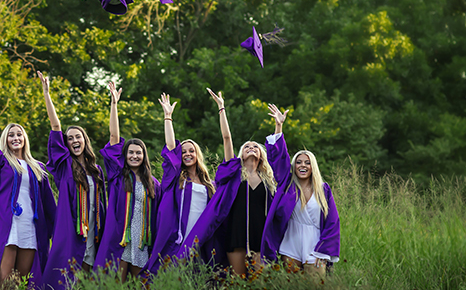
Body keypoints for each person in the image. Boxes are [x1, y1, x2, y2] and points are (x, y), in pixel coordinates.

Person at [177, 94, 290, 276]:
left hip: (261, 235)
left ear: (261, 154)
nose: (251, 147)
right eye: (246, 147)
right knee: (237, 282)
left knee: (261, 281)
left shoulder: (269, 180)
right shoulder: (234, 174)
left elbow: (280, 160)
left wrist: (278, 126)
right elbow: (227, 138)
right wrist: (222, 108)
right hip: (236, 234)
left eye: (255, 146)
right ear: (241, 155)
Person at [0, 100, 56, 290]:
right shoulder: (1, 160)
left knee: (23, 281)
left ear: (25, 138)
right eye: (11, 135)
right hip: (8, 224)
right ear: (6, 139)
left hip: (30, 225)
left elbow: (48, 201)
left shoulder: (37, 167)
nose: (15, 138)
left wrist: (55, 229)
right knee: (4, 279)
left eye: (19, 134)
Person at [37, 72, 107, 290]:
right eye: (70, 138)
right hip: (71, 227)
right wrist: (47, 95)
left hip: (93, 228)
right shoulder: (64, 165)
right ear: (66, 144)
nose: (74, 140)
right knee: (67, 270)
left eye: (78, 137)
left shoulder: (96, 170)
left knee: (87, 271)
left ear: (85, 140)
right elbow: (56, 126)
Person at [93, 81, 160, 283]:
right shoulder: (117, 174)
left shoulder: (153, 183)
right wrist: (114, 104)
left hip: (142, 239)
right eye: (130, 152)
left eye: (138, 153)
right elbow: (114, 137)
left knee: (139, 286)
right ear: (125, 155)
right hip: (121, 238)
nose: (134, 156)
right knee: (117, 282)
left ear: (144, 155)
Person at [145, 92, 216, 275]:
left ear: (197, 154)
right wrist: (168, 117)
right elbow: (170, 147)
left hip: (201, 233)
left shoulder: (209, 183)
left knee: (197, 274)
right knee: (175, 271)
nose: (187, 154)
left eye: (191, 151)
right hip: (179, 234)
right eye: (183, 152)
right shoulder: (177, 177)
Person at [261, 149, 340, 275]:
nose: (303, 165)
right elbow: (279, 161)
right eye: (298, 162)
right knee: (293, 289)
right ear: (294, 166)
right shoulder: (288, 187)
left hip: (315, 245)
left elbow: (333, 221)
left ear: (312, 166)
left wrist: (324, 249)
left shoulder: (323, 189)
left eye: (307, 162)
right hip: (291, 242)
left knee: (316, 288)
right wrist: (278, 129)